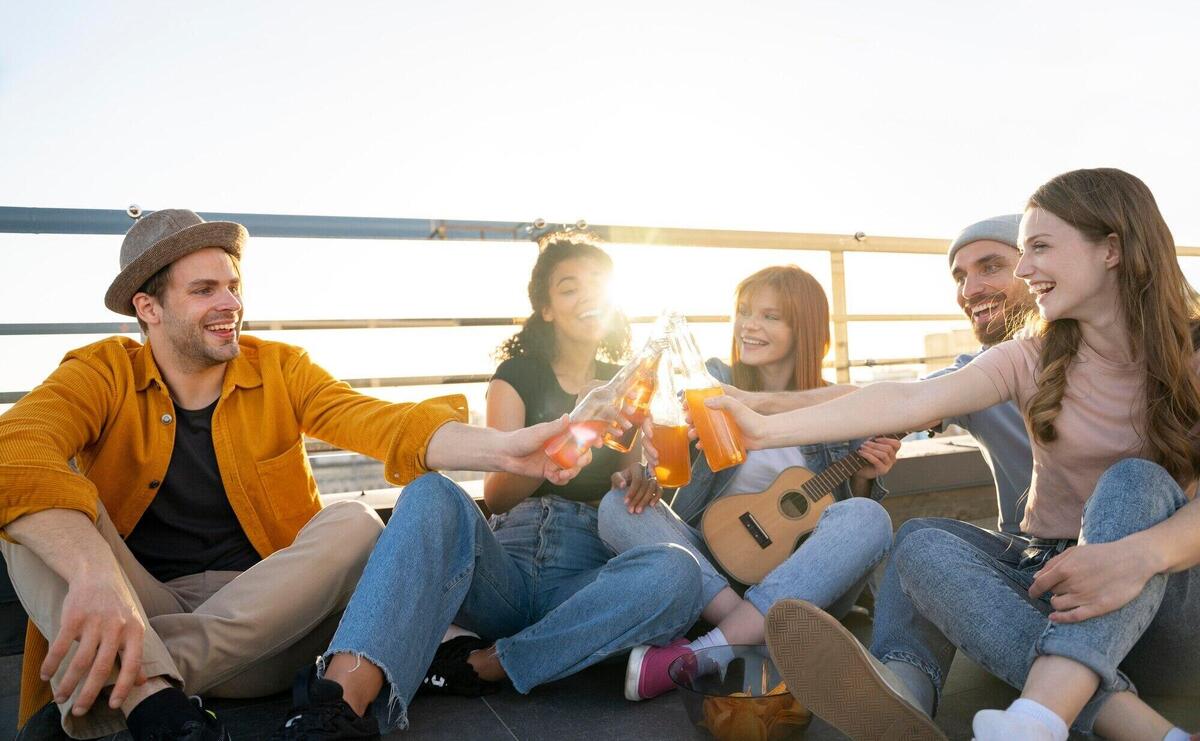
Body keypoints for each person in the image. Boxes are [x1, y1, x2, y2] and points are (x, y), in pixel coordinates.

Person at [0, 210, 585, 741]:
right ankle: (154, 697)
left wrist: (509, 449)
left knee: (354, 523)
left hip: (272, 622)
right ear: (148, 309)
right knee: (29, 511)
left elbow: (383, 423)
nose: (229, 303)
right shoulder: (100, 372)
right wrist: (94, 577)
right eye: (204, 290)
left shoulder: (280, 369)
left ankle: (132, 685)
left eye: (233, 286)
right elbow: (16, 447)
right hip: (135, 605)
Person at [702, 169, 1200, 741]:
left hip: (1159, 597)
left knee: (1134, 481)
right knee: (920, 541)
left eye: (1038, 247)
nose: (1023, 268)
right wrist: (763, 427)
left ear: (1111, 248)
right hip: (1045, 588)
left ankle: (1074, 719)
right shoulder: (1026, 357)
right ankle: (1011, 710)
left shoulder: (1194, 352)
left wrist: (1139, 555)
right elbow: (910, 397)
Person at [271, 233, 703, 739]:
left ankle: (488, 663)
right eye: (569, 288)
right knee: (431, 492)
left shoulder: (630, 382)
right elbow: (496, 495)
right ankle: (338, 703)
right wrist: (556, 444)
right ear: (546, 308)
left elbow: (628, 478)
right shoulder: (517, 375)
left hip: (585, 582)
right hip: (507, 570)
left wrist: (638, 478)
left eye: (596, 286)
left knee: (677, 572)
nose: (586, 296)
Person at [597, 265, 900, 701]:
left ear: (805, 328)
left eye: (770, 316)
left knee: (868, 517)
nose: (749, 325)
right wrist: (650, 473)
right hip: (709, 570)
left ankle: (707, 649)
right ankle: (747, 633)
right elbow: (667, 444)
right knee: (615, 505)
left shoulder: (842, 408)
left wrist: (865, 478)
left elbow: (843, 528)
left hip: (795, 587)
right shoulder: (714, 382)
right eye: (743, 312)